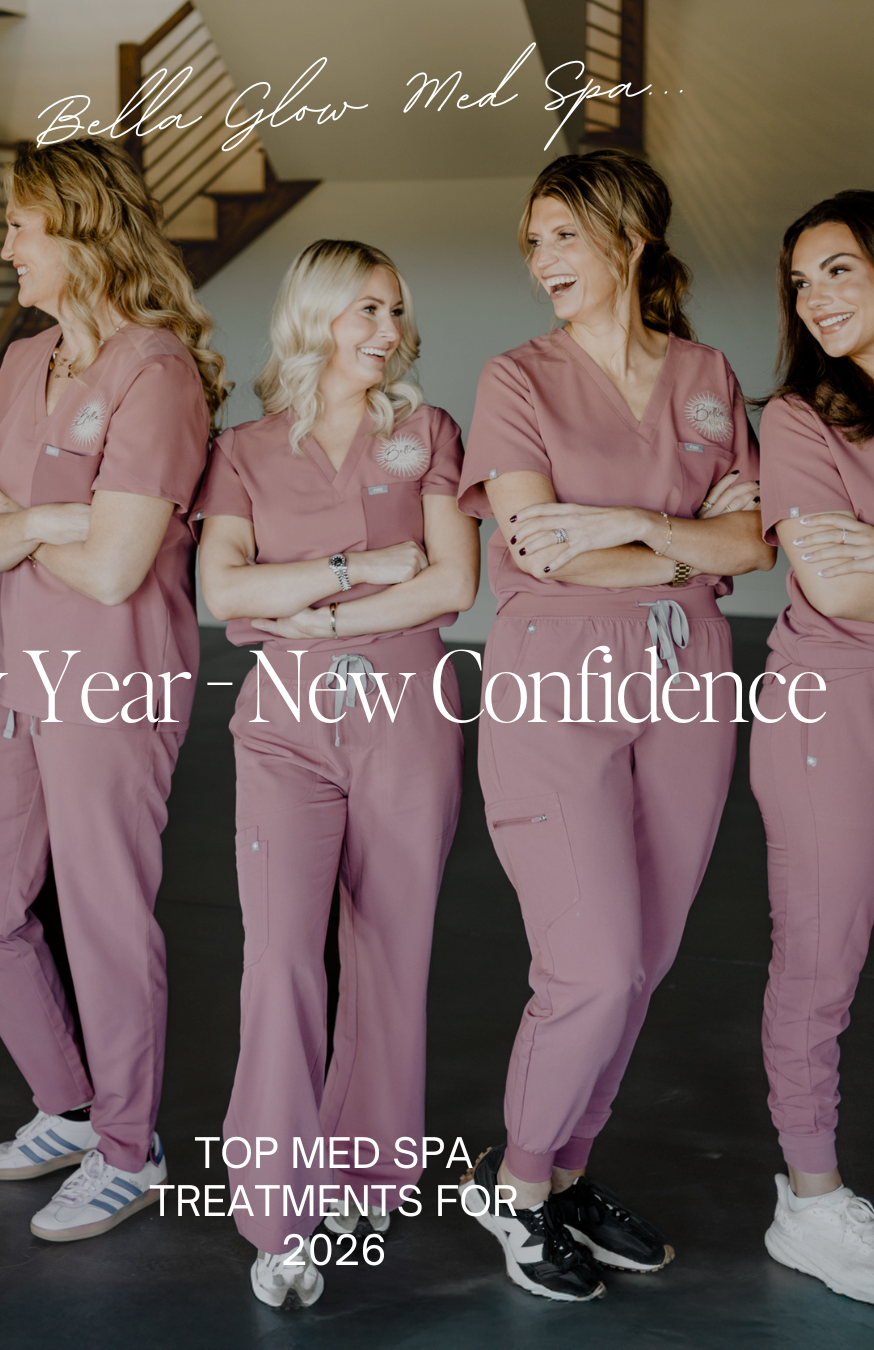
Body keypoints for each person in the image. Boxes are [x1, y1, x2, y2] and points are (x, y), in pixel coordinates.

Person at [456, 150, 774, 1301]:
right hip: (555, 688)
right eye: (532, 238)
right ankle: (521, 1183)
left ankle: (571, 1169)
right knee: (588, 965)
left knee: (643, 964)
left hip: (688, 687)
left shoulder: (705, 374)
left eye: (563, 236)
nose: (540, 259)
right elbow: (543, 547)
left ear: (630, 235)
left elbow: (755, 547)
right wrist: (683, 541)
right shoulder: (517, 379)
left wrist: (633, 526)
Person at [0, 139, 223, 1242]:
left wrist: (32, 527)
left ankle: (127, 1144)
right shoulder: (20, 362)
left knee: (104, 913)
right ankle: (68, 1099)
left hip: (113, 672)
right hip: (13, 659)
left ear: (78, 230)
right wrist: (63, 518)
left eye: (17, 226)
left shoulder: (156, 369)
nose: (4, 247)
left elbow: (114, 570)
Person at [196, 239, 479, 1308]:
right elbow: (223, 584)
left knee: (389, 959)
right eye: (366, 307)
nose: (388, 328)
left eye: (395, 311)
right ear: (313, 315)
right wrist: (359, 572)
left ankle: (367, 1174)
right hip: (282, 729)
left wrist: (301, 614)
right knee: (279, 962)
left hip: (408, 714)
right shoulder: (244, 449)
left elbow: (450, 580)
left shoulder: (432, 434)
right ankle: (279, 1212)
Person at [750, 190, 874, 1305]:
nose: (816, 296)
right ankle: (813, 1202)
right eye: (803, 279)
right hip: (831, 715)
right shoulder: (797, 420)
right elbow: (838, 584)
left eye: (839, 269)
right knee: (822, 959)